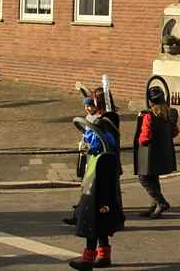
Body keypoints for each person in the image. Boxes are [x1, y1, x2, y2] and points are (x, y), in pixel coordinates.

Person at [69, 87, 124, 270]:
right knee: (102, 215)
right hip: (109, 174)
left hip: (98, 173)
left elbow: (95, 144)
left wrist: (87, 137)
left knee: (92, 217)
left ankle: (87, 259)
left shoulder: (102, 123)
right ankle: (104, 255)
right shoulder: (112, 119)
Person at [134, 85, 179, 219]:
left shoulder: (149, 116)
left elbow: (145, 136)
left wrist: (141, 141)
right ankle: (154, 205)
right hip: (163, 150)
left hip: (150, 152)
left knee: (144, 178)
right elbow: (174, 132)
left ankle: (161, 202)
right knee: (153, 178)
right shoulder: (169, 113)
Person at [63, 97, 100, 226]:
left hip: (95, 157)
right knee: (87, 188)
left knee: (88, 190)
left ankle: (79, 215)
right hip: (89, 156)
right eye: (86, 106)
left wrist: (89, 147)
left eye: (90, 106)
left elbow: (95, 139)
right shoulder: (89, 118)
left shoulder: (98, 119)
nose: (88, 108)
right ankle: (79, 213)